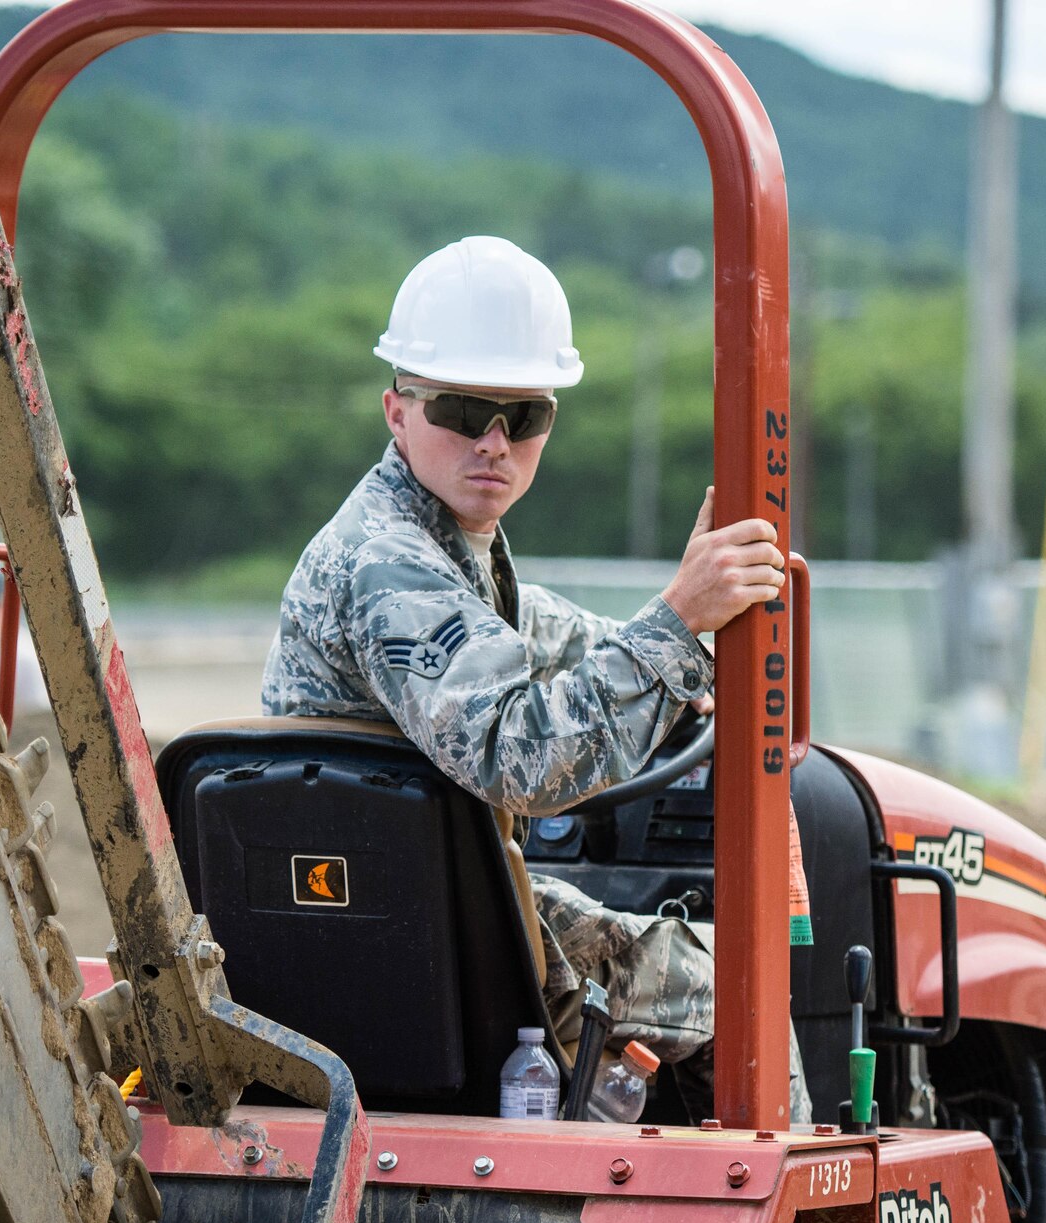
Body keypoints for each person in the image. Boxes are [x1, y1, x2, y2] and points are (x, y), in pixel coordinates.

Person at [263, 235, 811, 1121]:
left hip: (409, 914)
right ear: (397, 411)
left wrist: (688, 640)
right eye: (464, 408)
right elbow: (524, 761)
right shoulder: (390, 567)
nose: (493, 443)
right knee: (743, 983)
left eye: (522, 417)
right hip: (418, 938)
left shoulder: (448, 553)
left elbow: (547, 634)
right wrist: (678, 628)